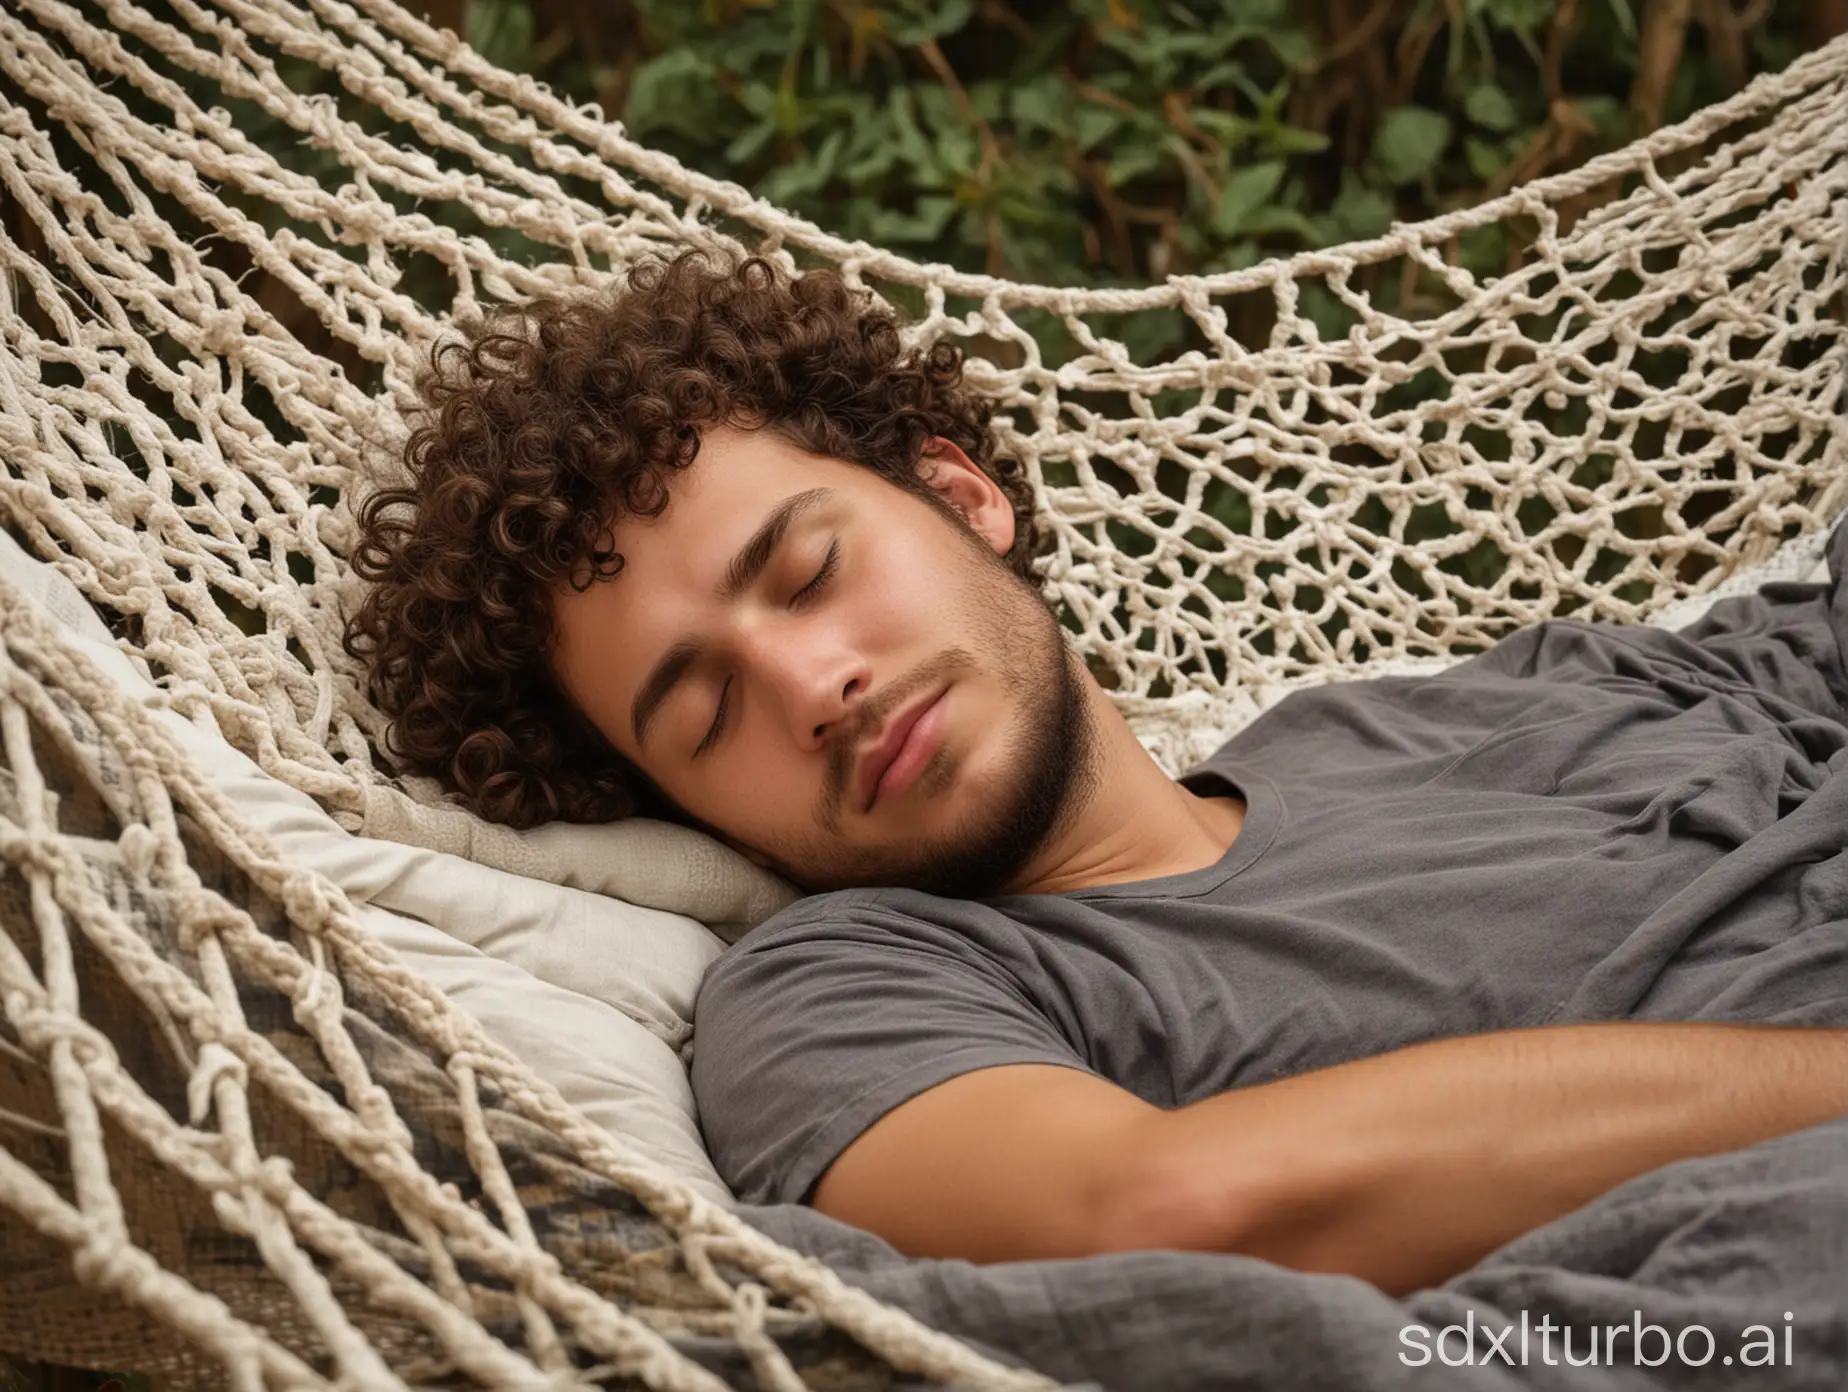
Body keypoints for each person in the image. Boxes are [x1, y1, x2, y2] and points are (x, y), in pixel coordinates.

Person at [347, 251, 1848, 1295]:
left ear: (963, 495)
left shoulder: (1464, 711)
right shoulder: (843, 995)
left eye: (808, 573)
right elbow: (1158, 1211)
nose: (814, 688)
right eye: (703, 712)